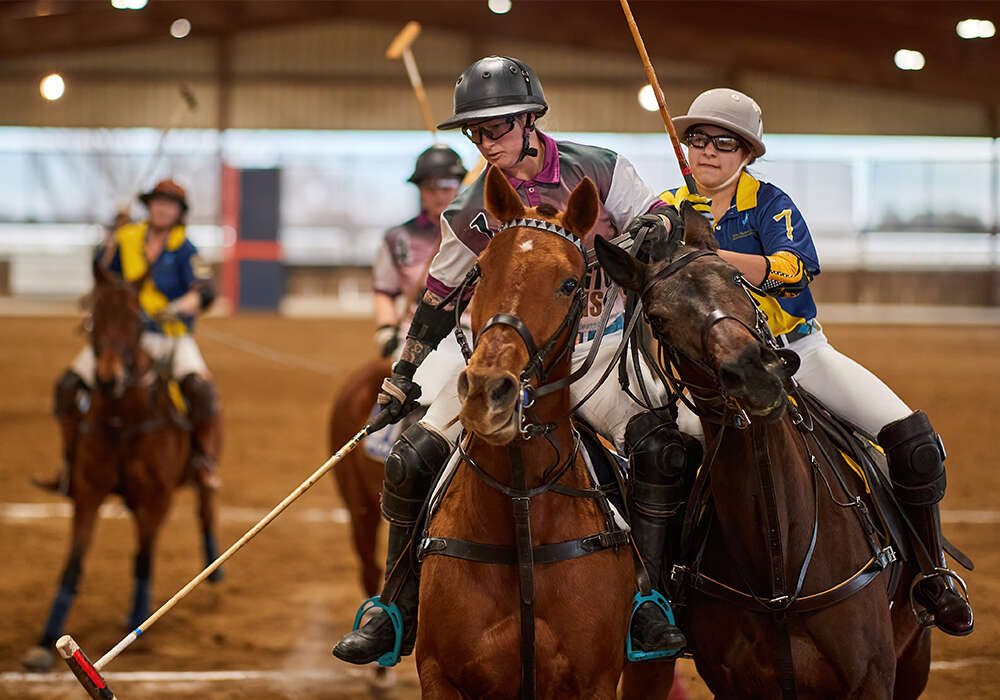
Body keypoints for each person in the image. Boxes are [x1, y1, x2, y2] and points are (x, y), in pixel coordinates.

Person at [333, 55, 696, 666]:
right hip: (496, 354)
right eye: (475, 131)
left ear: (531, 120)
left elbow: (663, 214)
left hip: (593, 352)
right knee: (409, 457)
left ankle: (651, 600)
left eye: (496, 127)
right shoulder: (473, 204)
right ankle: (393, 608)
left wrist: (651, 232)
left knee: (661, 452)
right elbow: (439, 294)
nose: (485, 141)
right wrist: (403, 373)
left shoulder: (598, 169)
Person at [661, 88, 974, 636]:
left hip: (800, 355)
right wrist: (670, 236)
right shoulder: (666, 209)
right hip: (713, 377)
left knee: (914, 443)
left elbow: (793, 269)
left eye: (723, 143)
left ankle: (930, 574)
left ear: (746, 154)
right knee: (664, 461)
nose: (708, 152)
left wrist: (710, 253)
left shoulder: (769, 203)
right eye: (697, 140)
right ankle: (662, 592)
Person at [39, 179, 222, 495]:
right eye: (158, 202)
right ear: (149, 206)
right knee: (67, 386)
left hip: (170, 338)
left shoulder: (185, 248)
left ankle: (201, 462)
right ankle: (69, 465)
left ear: (179, 212)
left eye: (170, 204)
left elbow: (205, 292)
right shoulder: (126, 238)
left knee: (201, 391)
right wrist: (112, 232)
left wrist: (176, 307)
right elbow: (101, 271)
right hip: (120, 338)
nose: (163, 208)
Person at [363, 145, 469, 458]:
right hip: (420, 337)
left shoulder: (480, 233)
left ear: (461, 186)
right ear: (420, 190)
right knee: (416, 396)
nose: (439, 194)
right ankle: (404, 467)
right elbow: (385, 289)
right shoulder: (399, 237)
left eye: (447, 186)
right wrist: (384, 327)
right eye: (430, 187)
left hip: (475, 333)